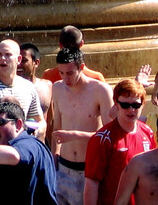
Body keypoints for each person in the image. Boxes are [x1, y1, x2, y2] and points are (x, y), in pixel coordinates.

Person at [49, 47, 114, 205]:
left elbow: (112, 134)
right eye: (61, 73)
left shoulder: (100, 90)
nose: (66, 79)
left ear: (82, 67)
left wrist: (75, 135)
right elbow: (57, 127)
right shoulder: (57, 88)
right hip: (63, 167)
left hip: (89, 170)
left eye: (70, 73)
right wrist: (53, 160)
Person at [84, 79, 157, 205]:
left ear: (143, 104)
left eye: (135, 105)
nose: (131, 110)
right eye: (125, 105)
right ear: (116, 104)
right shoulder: (102, 139)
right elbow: (91, 183)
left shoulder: (148, 132)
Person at [0, 39, 45, 135]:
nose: (2, 58)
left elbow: (40, 121)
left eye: (8, 54)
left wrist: (37, 130)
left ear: (19, 59)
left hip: (20, 146)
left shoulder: (28, 88)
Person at [19, 43, 53, 120]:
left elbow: (51, 119)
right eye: (18, 60)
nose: (18, 64)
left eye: (23, 60)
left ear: (36, 63)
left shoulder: (47, 86)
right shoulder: (9, 87)